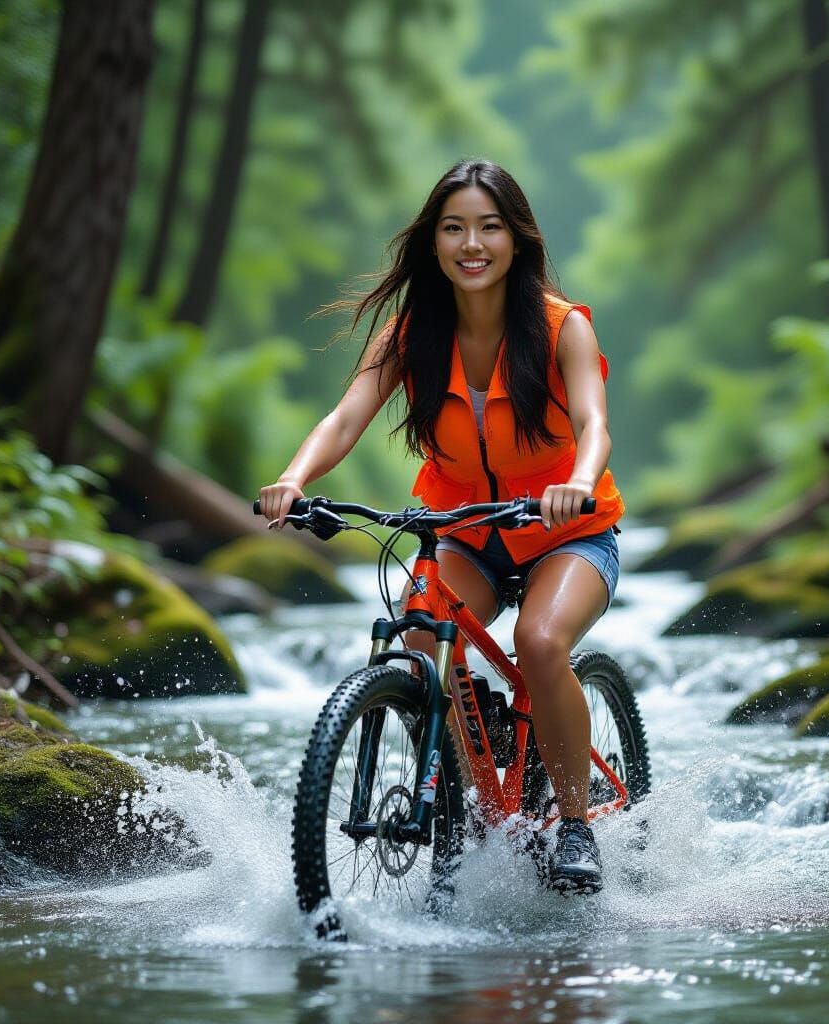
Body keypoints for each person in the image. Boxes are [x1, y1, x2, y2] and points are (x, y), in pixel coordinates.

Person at [259, 159, 625, 893]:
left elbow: (593, 423)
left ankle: (577, 825)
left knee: (540, 641)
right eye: (454, 228)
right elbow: (347, 414)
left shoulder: (562, 328)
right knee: (421, 635)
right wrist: (297, 479)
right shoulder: (410, 335)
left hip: (568, 531)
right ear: (433, 243)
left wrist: (577, 484)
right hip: (467, 531)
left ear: (516, 240)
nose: (472, 244)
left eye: (489, 227)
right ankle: (471, 798)